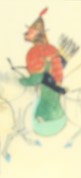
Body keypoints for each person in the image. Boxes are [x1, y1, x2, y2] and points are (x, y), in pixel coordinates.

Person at [19, 7, 67, 136]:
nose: (26, 34)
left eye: (30, 32)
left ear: (38, 34)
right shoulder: (49, 49)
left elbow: (38, 76)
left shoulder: (37, 52)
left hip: (47, 115)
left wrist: (24, 81)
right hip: (51, 88)